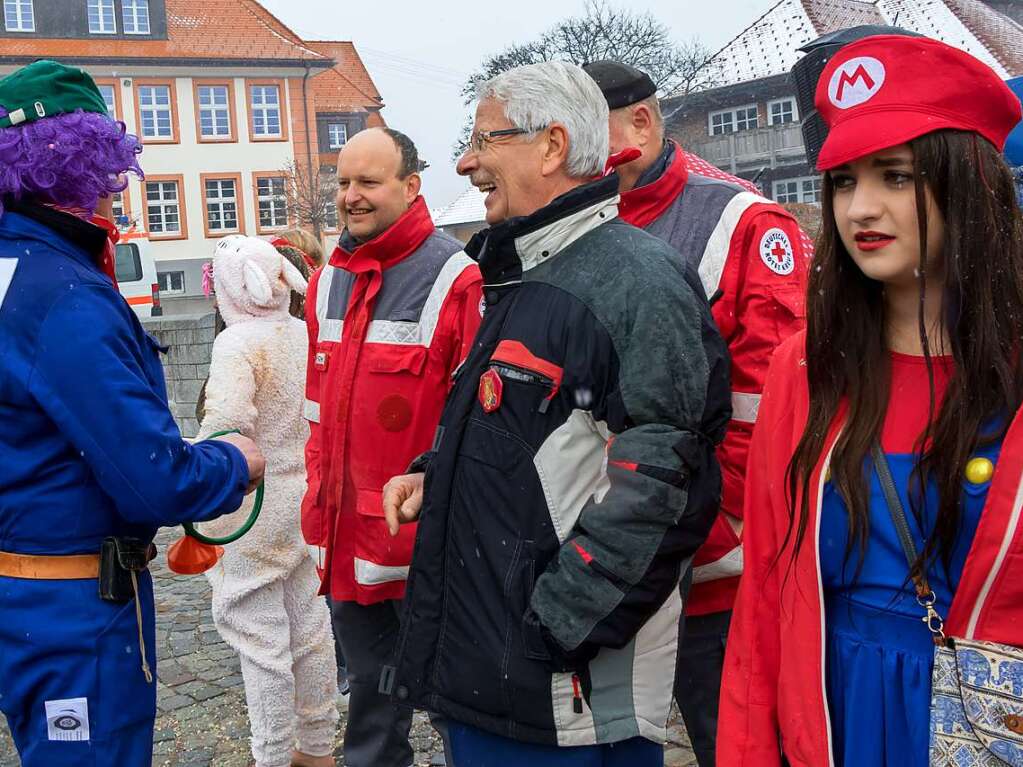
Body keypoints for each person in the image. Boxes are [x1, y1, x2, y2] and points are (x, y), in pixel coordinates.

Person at [382, 61, 731, 766]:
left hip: (563, 704)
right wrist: (436, 474)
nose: (466, 161)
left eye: (485, 139)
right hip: (491, 682)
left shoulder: (633, 277)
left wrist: (559, 624)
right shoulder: (525, 273)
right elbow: (535, 434)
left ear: (550, 145)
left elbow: (667, 478)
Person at [718, 34, 1023, 767]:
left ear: (968, 184)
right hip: (834, 704)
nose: (860, 208)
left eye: (894, 175)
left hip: (989, 720)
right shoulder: (806, 364)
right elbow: (764, 589)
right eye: (844, 180)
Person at [0, 60, 264, 767]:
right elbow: (154, 478)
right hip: (74, 609)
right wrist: (236, 458)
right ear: (87, 163)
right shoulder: (65, 294)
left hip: (23, 596)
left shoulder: (13, 273)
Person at [583, 59, 811, 766]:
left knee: (734, 745)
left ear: (641, 124)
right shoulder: (580, 220)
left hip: (711, 574)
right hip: (605, 556)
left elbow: (768, 409)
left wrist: (699, 532)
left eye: (583, 138)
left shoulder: (737, 220)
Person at [301, 126, 483, 767]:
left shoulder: (455, 280)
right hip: (347, 544)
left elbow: (471, 423)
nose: (351, 196)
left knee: (462, 706)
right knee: (372, 713)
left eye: (368, 183)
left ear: (410, 187)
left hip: (426, 548)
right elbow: (318, 412)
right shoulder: (328, 281)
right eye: (344, 182)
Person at [196, 235, 338, 767]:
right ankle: (318, 747)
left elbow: (227, 428)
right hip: (306, 494)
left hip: (253, 505)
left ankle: (273, 756)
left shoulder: (237, 344)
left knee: (261, 642)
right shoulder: (304, 333)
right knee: (310, 626)